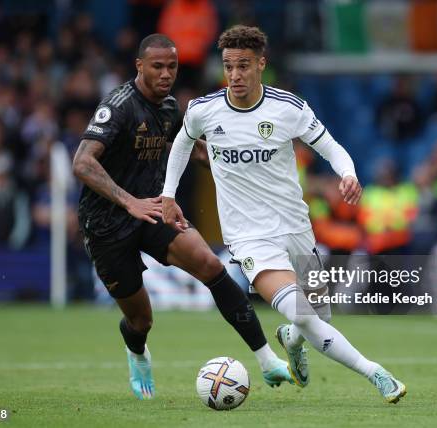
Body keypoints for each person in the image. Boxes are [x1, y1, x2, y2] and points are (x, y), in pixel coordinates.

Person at [162, 25, 407, 403]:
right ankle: (377, 374)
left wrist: (349, 174)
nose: (235, 75)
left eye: (243, 66)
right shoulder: (203, 110)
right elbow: (181, 146)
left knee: (316, 318)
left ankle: (292, 339)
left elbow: (333, 147)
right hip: (249, 238)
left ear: (261, 64)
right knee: (305, 313)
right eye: (228, 66)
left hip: (296, 228)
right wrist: (168, 195)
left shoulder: (287, 109)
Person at [72, 34, 292, 400]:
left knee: (211, 266)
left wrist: (225, 158)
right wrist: (128, 202)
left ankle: (267, 360)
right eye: (157, 66)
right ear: (139, 66)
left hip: (156, 210)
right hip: (108, 224)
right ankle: (137, 351)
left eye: (171, 66)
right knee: (141, 320)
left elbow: (182, 146)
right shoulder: (119, 107)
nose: (166, 74)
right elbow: (82, 162)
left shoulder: (171, 107)